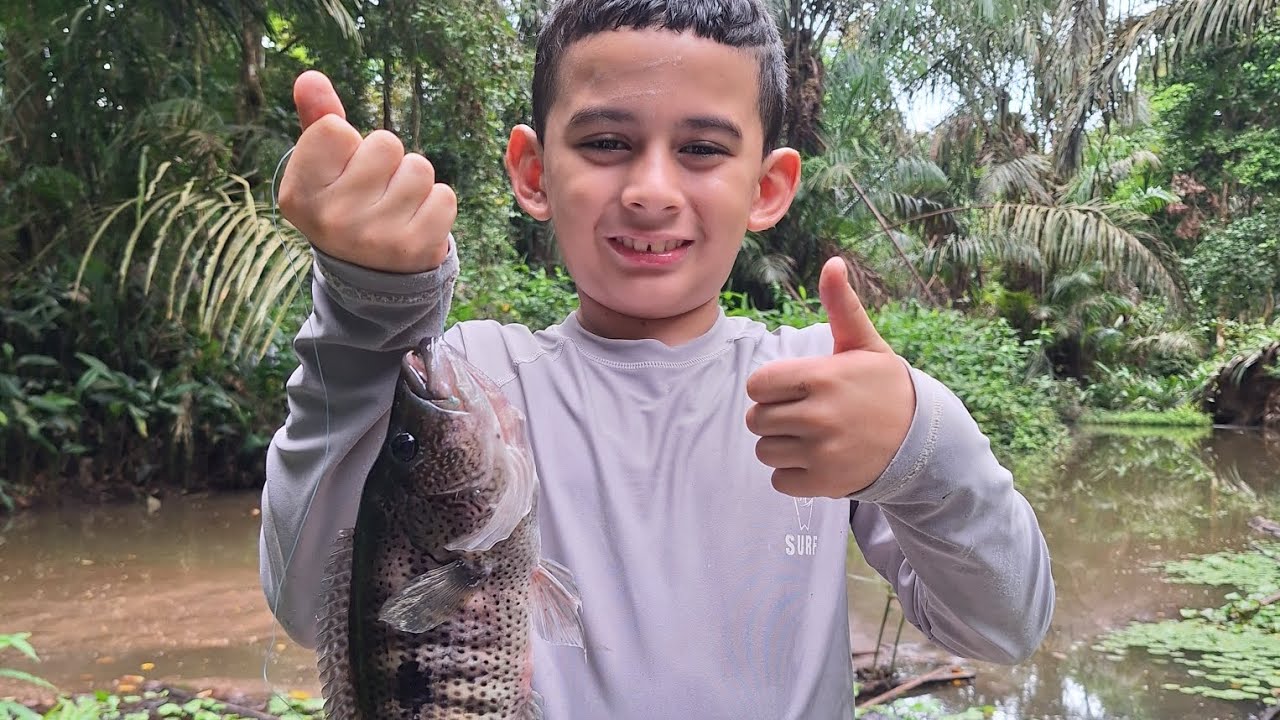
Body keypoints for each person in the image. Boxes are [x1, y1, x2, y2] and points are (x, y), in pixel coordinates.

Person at [258, 0, 1056, 717]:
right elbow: (307, 601)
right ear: (534, 172)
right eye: (606, 142)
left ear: (768, 188)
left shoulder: (822, 387)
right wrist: (367, 310)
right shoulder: (474, 380)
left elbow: (1003, 624)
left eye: (703, 149)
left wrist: (920, 443)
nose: (650, 189)